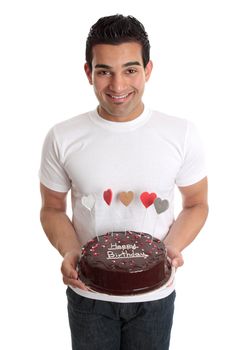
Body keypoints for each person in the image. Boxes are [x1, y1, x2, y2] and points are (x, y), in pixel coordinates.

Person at [39, 14, 208, 350]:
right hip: (88, 297)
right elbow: (52, 208)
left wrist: (171, 248)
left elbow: (196, 203)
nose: (117, 86)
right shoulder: (62, 137)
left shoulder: (181, 134)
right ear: (89, 73)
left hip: (155, 298)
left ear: (147, 70)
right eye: (104, 72)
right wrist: (70, 250)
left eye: (130, 70)